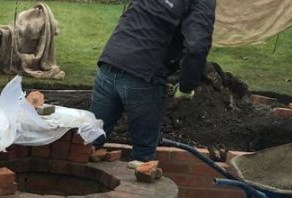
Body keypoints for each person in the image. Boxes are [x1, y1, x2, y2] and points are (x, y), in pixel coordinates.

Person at [90, 0, 216, 167]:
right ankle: (138, 187)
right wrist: (186, 86)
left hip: (110, 62)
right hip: (144, 75)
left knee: (89, 140)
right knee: (142, 159)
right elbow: (196, 47)